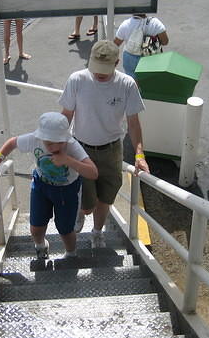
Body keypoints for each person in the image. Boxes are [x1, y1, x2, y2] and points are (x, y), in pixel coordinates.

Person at [59, 40, 149, 248]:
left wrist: (139, 155)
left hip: (111, 150)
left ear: (117, 63)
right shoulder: (77, 80)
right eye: (96, 68)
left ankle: (97, 232)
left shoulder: (127, 84)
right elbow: (66, 116)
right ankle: (82, 213)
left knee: (106, 198)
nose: (99, 74)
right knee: (88, 204)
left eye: (105, 69)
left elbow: (133, 124)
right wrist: (59, 146)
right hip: (81, 149)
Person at [0, 112, 98, 258]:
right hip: (41, 186)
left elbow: (93, 172)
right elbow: (12, 143)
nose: (54, 147)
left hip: (67, 190)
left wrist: (68, 160)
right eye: (49, 143)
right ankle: (41, 246)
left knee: (66, 230)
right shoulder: (34, 139)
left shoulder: (72, 146)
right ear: (41, 137)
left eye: (60, 142)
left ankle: (71, 254)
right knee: (36, 227)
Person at [114, 14, 169, 79]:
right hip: (150, 57)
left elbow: (115, 44)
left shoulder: (125, 24)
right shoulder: (155, 23)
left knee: (131, 82)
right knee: (149, 80)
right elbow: (165, 42)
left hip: (130, 56)